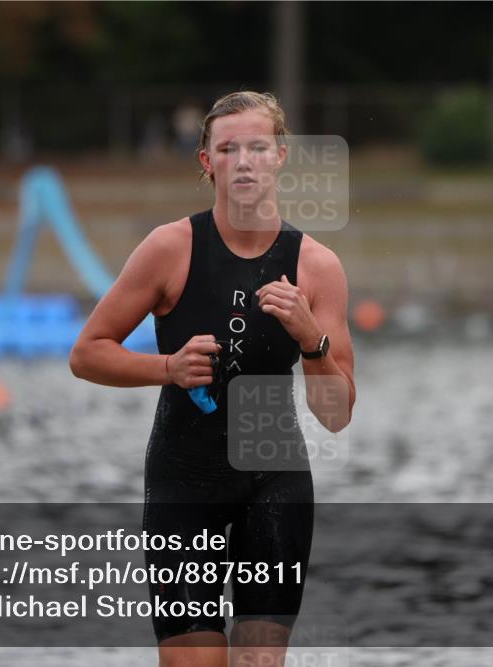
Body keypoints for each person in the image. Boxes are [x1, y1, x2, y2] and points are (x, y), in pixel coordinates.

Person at [69, 91, 355, 667]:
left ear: (280, 156)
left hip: (274, 482)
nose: (244, 161)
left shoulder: (317, 266)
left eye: (257, 147)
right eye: (228, 148)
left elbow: (337, 412)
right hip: (184, 482)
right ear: (207, 161)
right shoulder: (170, 248)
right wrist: (167, 368)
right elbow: (87, 353)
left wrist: (310, 339)